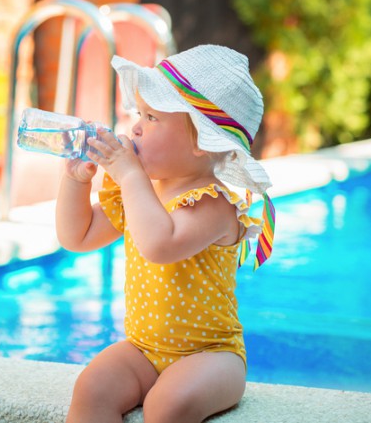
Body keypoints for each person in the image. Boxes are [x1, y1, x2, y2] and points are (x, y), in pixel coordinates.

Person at [56, 44, 275, 423]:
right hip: (143, 350)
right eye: (138, 113)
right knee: (91, 389)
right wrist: (75, 181)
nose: (135, 126)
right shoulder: (140, 192)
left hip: (211, 356)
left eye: (152, 117)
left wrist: (129, 175)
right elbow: (77, 236)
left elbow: (159, 245)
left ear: (200, 142)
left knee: (166, 405)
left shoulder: (212, 205)